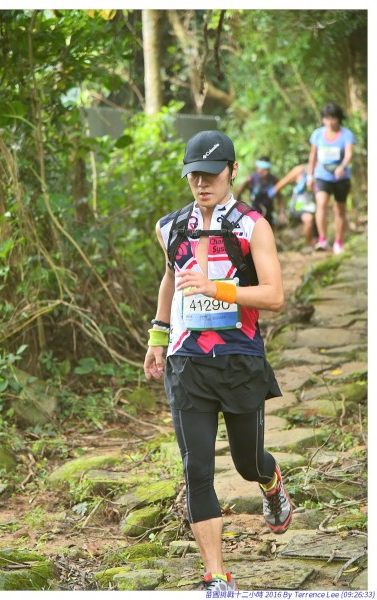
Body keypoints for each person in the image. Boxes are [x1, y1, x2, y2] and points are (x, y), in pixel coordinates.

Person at [143, 130, 292, 593]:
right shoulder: (171, 227)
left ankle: (270, 481)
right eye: (194, 176)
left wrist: (218, 288)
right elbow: (171, 279)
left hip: (240, 358)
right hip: (187, 363)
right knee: (197, 470)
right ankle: (217, 576)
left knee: (247, 463)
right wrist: (158, 336)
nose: (201, 183)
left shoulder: (252, 226)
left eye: (210, 174)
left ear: (232, 171)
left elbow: (275, 296)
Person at [307, 102, 356, 254]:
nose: (330, 122)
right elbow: (313, 155)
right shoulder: (317, 134)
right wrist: (310, 175)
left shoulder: (347, 135)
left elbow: (349, 153)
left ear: (339, 118)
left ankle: (338, 242)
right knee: (321, 204)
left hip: (341, 177)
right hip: (322, 176)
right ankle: (322, 239)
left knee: (339, 210)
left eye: (333, 118)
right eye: (327, 118)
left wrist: (343, 166)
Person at [268, 162, 317, 252]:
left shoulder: (322, 170)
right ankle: (308, 245)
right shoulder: (300, 170)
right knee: (308, 219)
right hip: (299, 206)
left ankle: (313, 243)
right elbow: (283, 182)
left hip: (314, 206)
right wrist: (271, 193)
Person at [235, 155, 286, 228]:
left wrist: (282, 213)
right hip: (254, 212)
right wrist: (237, 208)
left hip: (269, 212)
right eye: (259, 168)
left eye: (264, 169)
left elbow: (279, 197)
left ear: (268, 169)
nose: (261, 171)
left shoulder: (273, 180)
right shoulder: (251, 179)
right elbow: (239, 192)